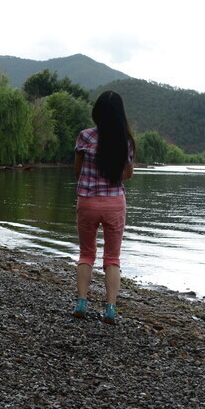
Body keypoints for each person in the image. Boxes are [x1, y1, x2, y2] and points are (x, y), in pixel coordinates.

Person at [72, 90, 135, 324]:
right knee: (112, 258)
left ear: (97, 111)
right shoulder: (126, 141)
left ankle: (81, 303)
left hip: (87, 202)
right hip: (114, 203)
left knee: (86, 254)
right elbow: (126, 175)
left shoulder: (85, 137)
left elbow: (78, 171)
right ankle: (110, 308)